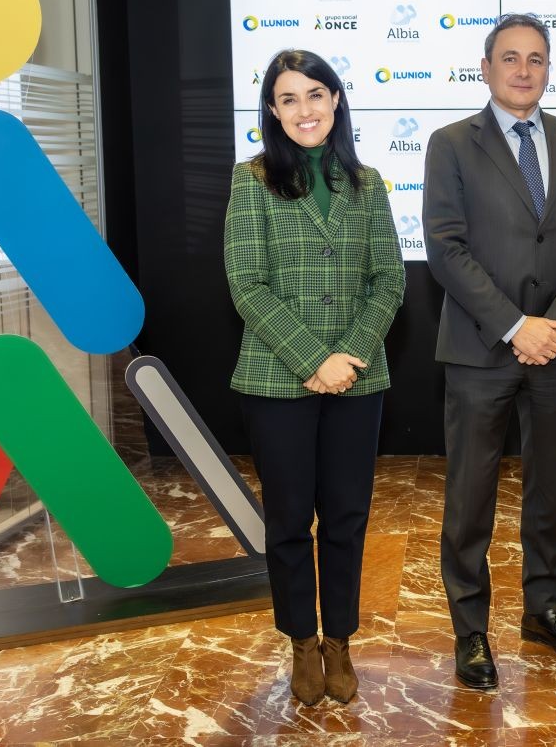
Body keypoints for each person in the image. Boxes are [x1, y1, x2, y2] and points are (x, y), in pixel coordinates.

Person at [423, 13, 556, 689]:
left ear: (549, 66)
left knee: (549, 488)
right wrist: (514, 324)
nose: (524, 69)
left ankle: (545, 609)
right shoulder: (450, 144)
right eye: (510, 58)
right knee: (470, 493)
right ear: (486, 67)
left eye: (536, 58)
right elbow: (446, 247)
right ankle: (470, 629)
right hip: (480, 347)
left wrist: (553, 324)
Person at [224, 49, 405, 705]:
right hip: (278, 380)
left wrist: (348, 354)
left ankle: (340, 641)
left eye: (316, 94)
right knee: (289, 519)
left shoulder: (369, 181)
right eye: (289, 98)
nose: (305, 109)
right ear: (272, 110)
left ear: (336, 100)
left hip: (358, 380)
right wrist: (312, 359)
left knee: (348, 518)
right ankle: (302, 640)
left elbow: (391, 279)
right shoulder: (252, 181)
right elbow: (248, 285)